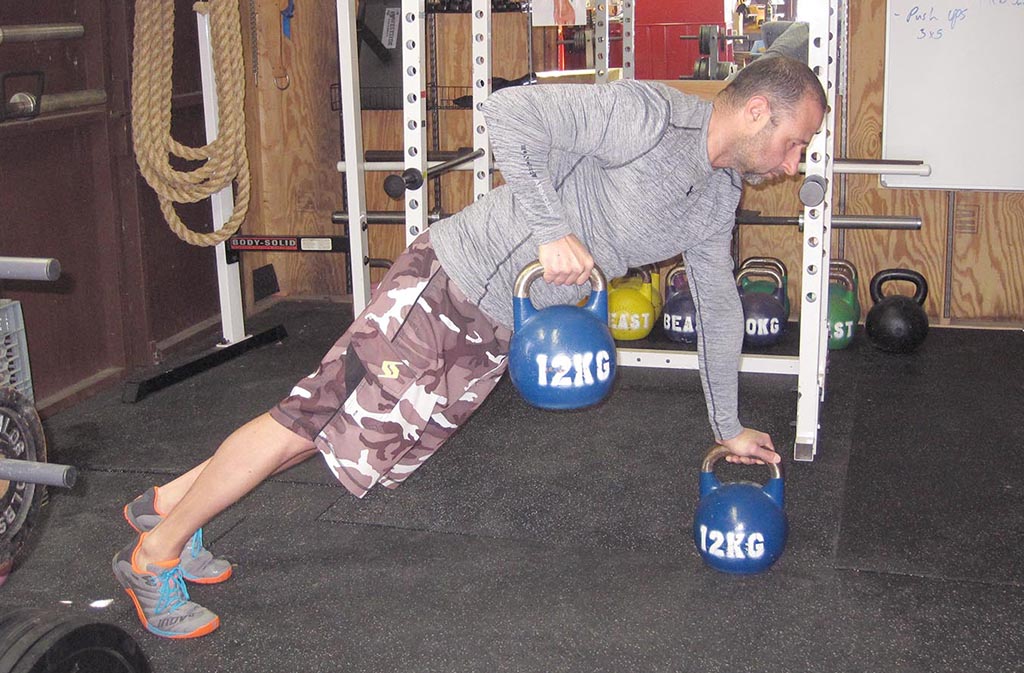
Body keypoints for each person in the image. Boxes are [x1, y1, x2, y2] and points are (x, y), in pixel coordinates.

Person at [112, 55, 826, 639]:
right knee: (306, 420)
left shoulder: (715, 194)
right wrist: (550, 228)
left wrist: (726, 423)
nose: (794, 164)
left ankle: (168, 505)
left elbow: (718, 297)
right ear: (758, 111)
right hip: (448, 285)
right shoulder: (647, 117)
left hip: (493, 329)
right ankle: (155, 552)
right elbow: (509, 112)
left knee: (319, 427)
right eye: (796, 142)